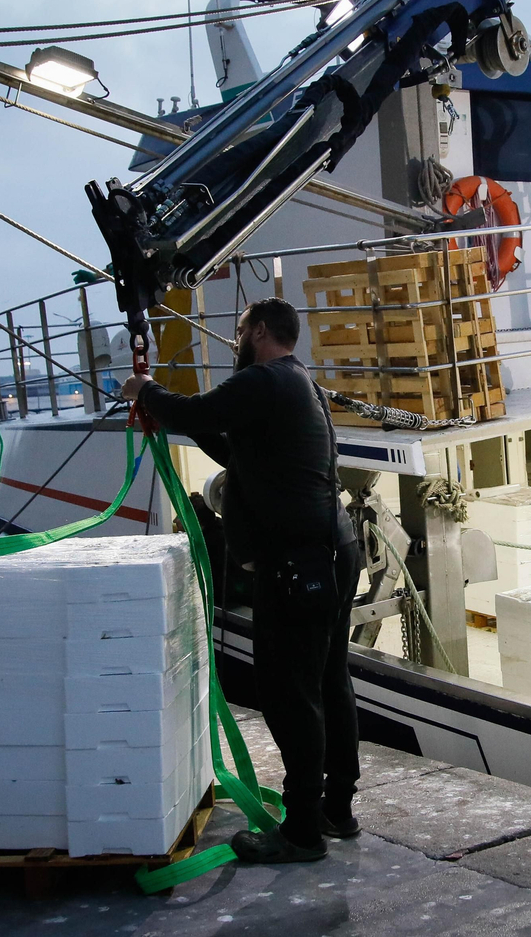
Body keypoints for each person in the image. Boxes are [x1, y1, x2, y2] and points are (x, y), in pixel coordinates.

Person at [122, 297, 361, 866]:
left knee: (290, 695)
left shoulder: (264, 378)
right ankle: (336, 809)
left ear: (258, 331)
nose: (234, 341)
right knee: (329, 683)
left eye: (239, 330)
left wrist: (145, 391)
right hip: (330, 554)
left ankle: (301, 832)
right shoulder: (296, 382)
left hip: (298, 565)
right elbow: (233, 449)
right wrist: (169, 413)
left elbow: (197, 412)